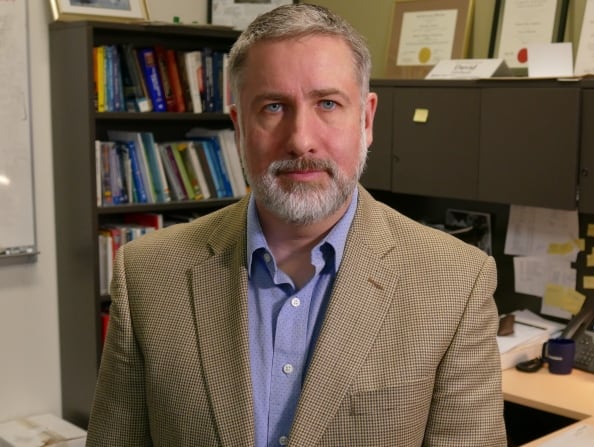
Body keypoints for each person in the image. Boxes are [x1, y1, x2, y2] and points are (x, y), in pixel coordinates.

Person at [86, 4, 505, 446]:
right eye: (273, 106)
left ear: (366, 119)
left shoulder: (456, 282)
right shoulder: (148, 272)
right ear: (238, 126)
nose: (301, 139)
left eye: (327, 103)